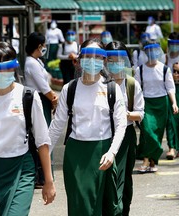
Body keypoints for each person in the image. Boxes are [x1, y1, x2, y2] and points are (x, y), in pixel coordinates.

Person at [0, 41, 56, 216]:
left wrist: (49, 181)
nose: (0, 73)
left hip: (22, 169)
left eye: (6, 68)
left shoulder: (28, 97)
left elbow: (42, 141)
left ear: (14, 68)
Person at [49, 38, 127, 216]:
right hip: (76, 156)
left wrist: (112, 152)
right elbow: (56, 126)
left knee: (111, 207)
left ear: (103, 60)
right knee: (81, 206)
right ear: (79, 59)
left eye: (97, 56)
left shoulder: (112, 89)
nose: (92, 60)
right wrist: (42, 160)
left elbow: (121, 124)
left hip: (103, 153)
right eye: (87, 56)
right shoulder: (70, 89)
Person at [106, 41, 145, 215]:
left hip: (126, 136)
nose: (114, 63)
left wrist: (124, 114)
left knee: (123, 179)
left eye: (118, 59)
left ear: (125, 61)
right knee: (109, 180)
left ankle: (123, 211)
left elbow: (140, 113)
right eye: (110, 59)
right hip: (105, 134)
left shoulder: (131, 84)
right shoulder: (100, 82)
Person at [135, 42, 178, 172]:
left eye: (155, 50)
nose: (152, 53)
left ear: (158, 52)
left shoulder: (165, 69)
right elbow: (137, 89)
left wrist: (174, 103)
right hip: (146, 103)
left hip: (162, 103)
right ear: (145, 53)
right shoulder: (140, 69)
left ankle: (152, 162)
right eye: (149, 50)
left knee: (158, 134)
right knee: (148, 131)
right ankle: (146, 159)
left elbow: (170, 88)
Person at [24, 32, 58, 188]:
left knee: (46, 135)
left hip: (43, 99)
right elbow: (43, 86)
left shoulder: (36, 61)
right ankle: (41, 175)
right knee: (42, 137)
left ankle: (44, 175)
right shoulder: (31, 63)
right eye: (43, 45)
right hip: (38, 100)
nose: (45, 48)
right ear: (39, 46)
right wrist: (54, 99)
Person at [165, 32, 179, 159]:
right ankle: (172, 147)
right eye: (172, 44)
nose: (175, 47)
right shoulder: (165, 57)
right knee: (170, 120)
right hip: (169, 91)